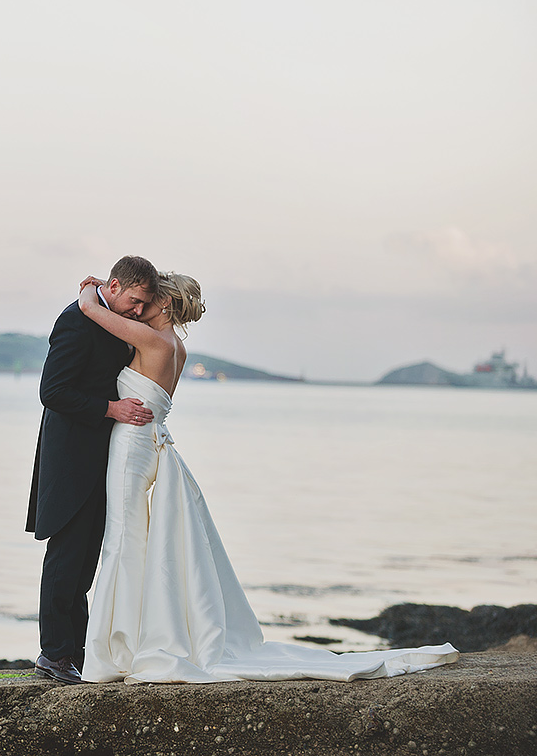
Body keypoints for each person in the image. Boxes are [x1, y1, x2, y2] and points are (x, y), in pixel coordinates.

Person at [76, 271, 459, 683]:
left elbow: (89, 310)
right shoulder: (178, 348)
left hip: (133, 444)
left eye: (147, 301)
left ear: (164, 305)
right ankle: (128, 641)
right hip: (155, 442)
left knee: (121, 541)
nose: (138, 306)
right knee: (134, 543)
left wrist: (90, 289)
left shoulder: (149, 338)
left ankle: (110, 651)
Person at [27, 255, 160, 685]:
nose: (137, 312)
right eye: (135, 302)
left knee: (85, 563)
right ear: (116, 285)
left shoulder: (102, 311)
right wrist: (111, 408)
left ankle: (75, 654)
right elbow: (53, 391)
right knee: (66, 559)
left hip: (103, 458)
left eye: (144, 306)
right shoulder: (76, 321)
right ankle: (53, 654)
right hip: (69, 459)